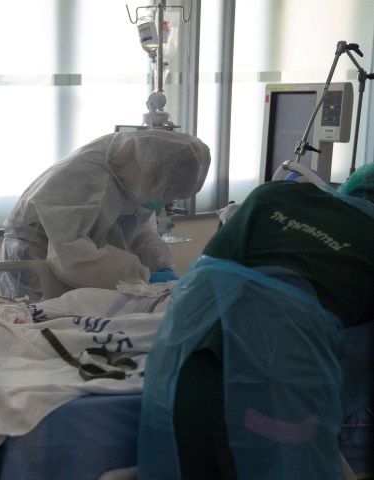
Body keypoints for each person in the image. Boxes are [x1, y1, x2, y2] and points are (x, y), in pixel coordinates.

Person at [137, 165, 374, 480]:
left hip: (181, 373)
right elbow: (356, 373)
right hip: (277, 406)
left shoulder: (272, 195)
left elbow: (203, 287)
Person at [0, 129, 211, 300]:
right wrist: (140, 276)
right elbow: (70, 258)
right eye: (165, 193)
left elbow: (140, 232)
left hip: (76, 268)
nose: (163, 201)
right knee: (35, 324)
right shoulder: (86, 178)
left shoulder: (136, 180)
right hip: (35, 258)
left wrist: (161, 265)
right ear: (153, 171)